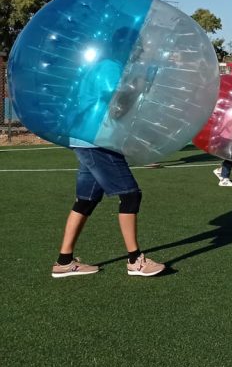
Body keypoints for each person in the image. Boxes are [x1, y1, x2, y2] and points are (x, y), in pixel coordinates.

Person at [54, 34, 165, 277]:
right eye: (137, 47)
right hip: (98, 140)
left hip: (87, 138)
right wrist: (140, 87)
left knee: (86, 200)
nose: (140, 52)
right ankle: (135, 260)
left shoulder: (101, 66)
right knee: (130, 195)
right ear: (125, 46)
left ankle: (64, 262)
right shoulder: (110, 67)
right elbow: (116, 109)